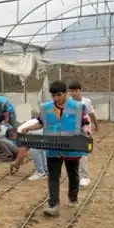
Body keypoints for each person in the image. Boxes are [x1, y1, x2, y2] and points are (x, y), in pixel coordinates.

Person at [19, 80, 91, 217]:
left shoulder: (77, 107)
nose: (56, 98)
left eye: (59, 95)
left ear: (65, 94)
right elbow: (41, 123)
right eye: (53, 96)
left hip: (71, 147)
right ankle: (53, 204)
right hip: (52, 146)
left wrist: (86, 130)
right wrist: (28, 128)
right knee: (53, 176)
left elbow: (85, 122)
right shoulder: (46, 108)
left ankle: (73, 197)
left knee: (73, 174)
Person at [68, 81, 98, 187]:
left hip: (85, 128)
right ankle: (75, 176)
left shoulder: (87, 102)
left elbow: (91, 113)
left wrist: (96, 124)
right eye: (71, 91)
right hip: (73, 129)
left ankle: (84, 177)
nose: (74, 93)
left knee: (83, 153)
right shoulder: (68, 103)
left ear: (80, 90)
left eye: (76, 91)